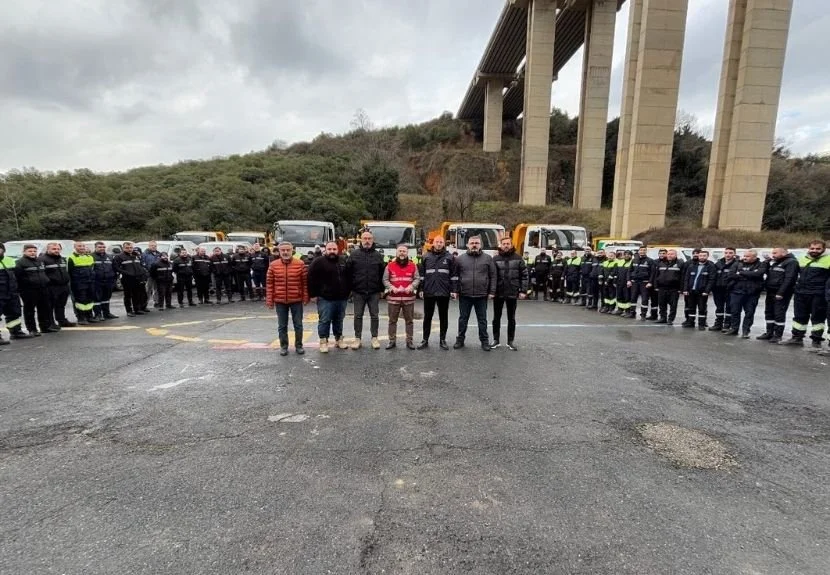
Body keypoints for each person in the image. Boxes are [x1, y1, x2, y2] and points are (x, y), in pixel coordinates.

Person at [781, 240, 830, 348]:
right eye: (812, 248)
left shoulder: (828, 259)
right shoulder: (802, 258)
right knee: (799, 317)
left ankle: (816, 340)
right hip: (801, 292)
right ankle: (797, 338)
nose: (814, 250)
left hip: (818, 294)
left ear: (824, 249)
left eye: (818, 249)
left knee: (817, 318)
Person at [452, 236, 496, 351]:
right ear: (468, 245)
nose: (474, 245)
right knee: (463, 319)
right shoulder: (460, 259)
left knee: (482, 320)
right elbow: (455, 276)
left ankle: (484, 342)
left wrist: (492, 291)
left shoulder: (487, 258)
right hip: (465, 294)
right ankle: (460, 340)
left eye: (477, 243)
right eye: (472, 243)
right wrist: (455, 290)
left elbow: (493, 276)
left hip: (481, 295)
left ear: (480, 245)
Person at [265, 241, 309, 356]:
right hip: (280, 301)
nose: (285, 252)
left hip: (296, 300)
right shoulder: (273, 265)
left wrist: (305, 297)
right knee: (282, 326)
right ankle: (283, 346)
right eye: (283, 250)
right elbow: (269, 284)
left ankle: (299, 346)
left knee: (298, 324)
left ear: (292, 250)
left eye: (287, 250)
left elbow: (305, 283)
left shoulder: (300, 264)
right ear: (279, 251)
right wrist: (269, 300)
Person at [308, 241, 351, 353]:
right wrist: (312, 295)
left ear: (338, 250)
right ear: (325, 250)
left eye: (334, 249)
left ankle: (339, 339)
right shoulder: (318, 262)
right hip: (325, 298)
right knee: (325, 320)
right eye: (329, 249)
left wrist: (348, 292)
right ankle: (323, 341)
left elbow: (349, 276)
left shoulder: (343, 260)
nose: (332, 251)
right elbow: (311, 279)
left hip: (341, 298)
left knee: (339, 319)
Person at [346, 230, 385, 350]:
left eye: (369, 239)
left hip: (374, 292)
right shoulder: (354, 254)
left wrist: (382, 289)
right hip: (358, 292)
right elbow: (348, 273)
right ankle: (358, 338)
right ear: (361, 240)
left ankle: (374, 338)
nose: (367, 241)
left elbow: (382, 274)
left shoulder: (378, 256)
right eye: (365, 239)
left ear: (372, 240)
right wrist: (350, 290)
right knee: (358, 316)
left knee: (375, 316)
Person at [417, 235, 455, 350]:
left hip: (444, 292)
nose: (439, 244)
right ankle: (425, 340)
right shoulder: (426, 256)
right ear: (433, 243)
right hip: (429, 292)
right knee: (427, 317)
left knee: (444, 317)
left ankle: (442, 340)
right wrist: (421, 289)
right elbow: (422, 275)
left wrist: (453, 290)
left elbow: (453, 276)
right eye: (437, 242)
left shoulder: (450, 257)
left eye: (441, 242)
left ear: (444, 244)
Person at [492, 236, 528, 350]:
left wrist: (523, 290)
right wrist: (491, 291)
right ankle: (496, 340)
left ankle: (510, 341)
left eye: (508, 243)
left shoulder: (518, 258)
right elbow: (492, 276)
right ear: (500, 245)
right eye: (504, 244)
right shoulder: (495, 259)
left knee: (511, 318)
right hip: (498, 292)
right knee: (496, 318)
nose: (506, 246)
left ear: (511, 245)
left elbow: (525, 275)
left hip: (512, 291)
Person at [382, 244, 421, 350]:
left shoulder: (413, 265)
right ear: (396, 252)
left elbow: (417, 279)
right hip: (393, 299)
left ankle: (409, 341)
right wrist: (391, 288)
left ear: (407, 253)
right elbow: (385, 280)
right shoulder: (389, 265)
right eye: (400, 251)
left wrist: (411, 286)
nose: (402, 253)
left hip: (408, 298)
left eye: (404, 251)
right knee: (392, 321)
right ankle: (392, 341)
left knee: (409, 321)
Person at [757, 247, 798, 343]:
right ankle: (769, 333)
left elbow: (789, 278)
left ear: (783, 253)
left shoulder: (791, 262)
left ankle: (778, 335)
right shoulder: (777, 262)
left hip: (781, 293)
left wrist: (781, 292)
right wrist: (766, 262)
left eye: (775, 253)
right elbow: (769, 274)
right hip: (771, 291)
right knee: (769, 312)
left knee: (779, 314)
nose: (773, 255)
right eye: (772, 253)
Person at [15, 244, 55, 335]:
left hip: (43, 288)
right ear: (24, 252)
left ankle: (44, 327)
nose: (32, 253)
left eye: (34, 251)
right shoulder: (20, 262)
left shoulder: (39, 261)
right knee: (29, 310)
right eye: (30, 251)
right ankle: (32, 329)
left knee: (44, 308)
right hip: (29, 290)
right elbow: (18, 277)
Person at [725, 249, 765, 338]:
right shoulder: (738, 263)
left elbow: (758, 274)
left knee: (749, 313)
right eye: (745, 256)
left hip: (752, 293)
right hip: (737, 291)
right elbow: (731, 275)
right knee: (735, 311)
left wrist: (741, 273)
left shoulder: (760, 264)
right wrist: (750, 274)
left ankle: (745, 331)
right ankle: (734, 329)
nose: (745, 258)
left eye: (748, 256)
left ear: (754, 257)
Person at [0, 242, 32, 343]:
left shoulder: (10, 260)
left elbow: (17, 276)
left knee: (14, 313)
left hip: (11, 292)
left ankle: (16, 332)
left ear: (3, 250)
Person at [38, 242, 75, 328]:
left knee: (61, 305)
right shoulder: (42, 259)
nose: (56, 250)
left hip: (63, 286)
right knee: (50, 306)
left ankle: (61, 320)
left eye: (58, 249)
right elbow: (42, 274)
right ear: (48, 249)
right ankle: (51, 323)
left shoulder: (61, 259)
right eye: (54, 249)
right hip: (51, 287)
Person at [681, 250, 716, 330]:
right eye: (700, 256)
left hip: (702, 292)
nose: (702, 257)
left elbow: (711, 280)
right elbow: (686, 278)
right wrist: (685, 289)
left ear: (707, 256)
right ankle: (690, 322)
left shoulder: (710, 266)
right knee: (691, 307)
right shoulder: (692, 266)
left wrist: (706, 291)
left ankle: (701, 324)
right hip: (691, 291)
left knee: (702, 308)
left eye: (704, 256)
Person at [650, 249, 684, 325]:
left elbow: (682, 277)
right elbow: (656, 275)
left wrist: (681, 289)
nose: (670, 255)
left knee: (673, 305)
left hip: (674, 288)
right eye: (668, 254)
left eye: (672, 254)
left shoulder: (680, 263)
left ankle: (670, 319)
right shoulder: (661, 263)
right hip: (662, 287)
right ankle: (663, 318)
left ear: (676, 255)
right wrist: (656, 286)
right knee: (661, 304)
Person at [67, 241, 98, 324]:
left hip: (90, 282)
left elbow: (92, 269)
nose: (82, 247)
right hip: (78, 283)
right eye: (79, 246)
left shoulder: (90, 257)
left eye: (83, 246)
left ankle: (89, 316)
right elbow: (69, 272)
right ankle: (81, 318)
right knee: (80, 301)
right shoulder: (71, 258)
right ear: (75, 247)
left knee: (89, 300)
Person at [709, 247, 739, 332]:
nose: (728, 254)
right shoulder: (718, 263)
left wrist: (730, 286)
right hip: (718, 289)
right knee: (719, 307)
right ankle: (718, 324)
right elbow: (713, 276)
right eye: (726, 253)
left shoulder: (737, 264)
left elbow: (736, 278)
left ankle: (727, 324)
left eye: (730, 253)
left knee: (729, 308)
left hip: (730, 289)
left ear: (734, 254)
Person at [113, 242, 146, 317]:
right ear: (123, 248)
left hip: (137, 278)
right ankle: (129, 311)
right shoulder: (119, 257)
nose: (129, 249)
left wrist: (142, 273)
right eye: (127, 248)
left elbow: (140, 265)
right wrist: (127, 273)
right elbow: (116, 268)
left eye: (130, 247)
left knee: (136, 294)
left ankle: (137, 309)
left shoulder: (135, 255)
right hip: (127, 278)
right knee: (128, 295)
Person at [91, 242, 118, 320]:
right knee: (97, 299)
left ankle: (107, 313)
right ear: (95, 247)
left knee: (106, 298)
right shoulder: (91, 257)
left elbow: (114, 268)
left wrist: (113, 278)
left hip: (108, 281)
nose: (102, 248)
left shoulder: (109, 256)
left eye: (103, 247)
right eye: (100, 247)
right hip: (97, 281)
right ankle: (98, 315)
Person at [628, 246, 655, 320]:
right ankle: (632, 313)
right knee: (633, 298)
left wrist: (650, 282)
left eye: (644, 250)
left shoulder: (650, 261)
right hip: (634, 282)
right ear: (639, 251)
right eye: (641, 250)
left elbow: (652, 273)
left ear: (646, 251)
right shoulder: (634, 260)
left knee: (644, 299)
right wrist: (628, 280)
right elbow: (629, 271)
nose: (642, 251)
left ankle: (643, 314)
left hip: (644, 283)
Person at [141, 241, 162, 308]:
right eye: (152, 245)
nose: (153, 247)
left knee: (157, 289)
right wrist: (146, 273)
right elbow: (142, 265)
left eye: (155, 246)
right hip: (149, 275)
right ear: (149, 246)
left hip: (158, 275)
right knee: (148, 290)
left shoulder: (159, 254)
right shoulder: (144, 254)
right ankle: (144, 303)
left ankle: (157, 302)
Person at [614, 250, 634, 317]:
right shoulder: (620, 262)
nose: (626, 255)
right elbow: (616, 272)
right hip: (619, 282)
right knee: (619, 296)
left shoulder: (632, 262)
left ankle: (627, 311)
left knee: (627, 297)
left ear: (631, 255)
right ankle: (620, 309)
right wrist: (615, 281)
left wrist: (630, 281)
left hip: (627, 283)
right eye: (625, 254)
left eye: (628, 254)